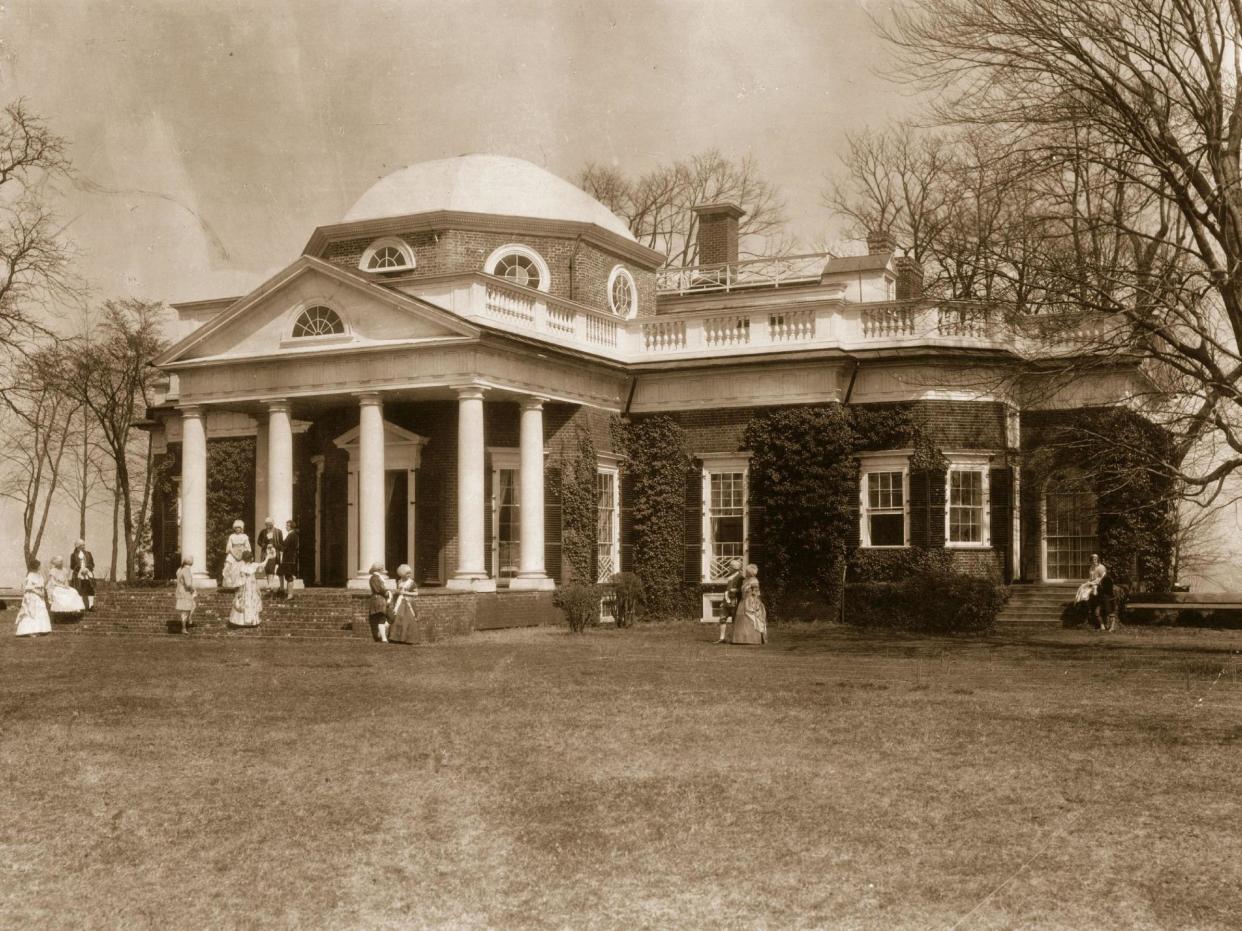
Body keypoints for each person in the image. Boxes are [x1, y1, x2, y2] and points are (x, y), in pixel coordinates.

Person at [14, 558, 51, 637]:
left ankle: (41, 629)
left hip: (40, 596)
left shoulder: (40, 575)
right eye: (39, 565)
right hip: (32, 595)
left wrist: (42, 593)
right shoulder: (30, 575)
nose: (40, 567)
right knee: (32, 612)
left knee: (40, 611)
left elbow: (42, 585)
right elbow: (28, 587)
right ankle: (30, 631)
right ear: (36, 566)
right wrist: (37, 592)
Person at [731, 564, 767, 645]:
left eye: (747, 571)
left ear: (750, 572)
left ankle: (753, 639)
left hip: (751, 601)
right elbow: (743, 590)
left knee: (751, 618)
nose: (745, 572)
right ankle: (740, 639)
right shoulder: (745, 580)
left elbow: (756, 592)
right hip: (743, 601)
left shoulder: (754, 581)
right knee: (741, 619)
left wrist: (755, 602)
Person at [227, 549, 263, 627]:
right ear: (251, 558)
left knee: (247, 602)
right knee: (249, 602)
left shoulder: (243, 567)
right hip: (250, 587)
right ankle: (251, 621)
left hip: (248, 587)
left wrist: (239, 590)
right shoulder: (252, 566)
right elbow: (262, 565)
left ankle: (244, 621)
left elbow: (241, 580)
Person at [387, 564, 421, 644]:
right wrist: (396, 592)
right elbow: (398, 591)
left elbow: (416, 593)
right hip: (399, 602)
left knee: (408, 619)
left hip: (408, 602)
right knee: (398, 619)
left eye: (409, 573)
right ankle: (396, 638)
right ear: (402, 573)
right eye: (407, 573)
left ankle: (409, 639)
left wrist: (405, 592)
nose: (409, 575)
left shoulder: (411, 583)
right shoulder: (399, 581)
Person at [717, 559, 743, 644]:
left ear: (735, 568)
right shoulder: (729, 577)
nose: (729, 568)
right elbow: (727, 590)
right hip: (726, 600)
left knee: (735, 620)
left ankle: (735, 639)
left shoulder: (741, 577)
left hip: (734, 601)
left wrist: (736, 590)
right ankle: (722, 638)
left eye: (730, 567)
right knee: (722, 618)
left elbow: (743, 589)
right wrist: (723, 600)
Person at [256, 517, 284, 592]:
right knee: (268, 568)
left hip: (275, 553)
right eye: (267, 524)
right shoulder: (263, 532)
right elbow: (259, 541)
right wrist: (265, 546)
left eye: (270, 524)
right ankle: (270, 585)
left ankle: (278, 586)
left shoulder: (278, 532)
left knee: (276, 568)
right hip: (266, 553)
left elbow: (281, 543)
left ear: (273, 524)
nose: (268, 526)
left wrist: (275, 546)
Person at [222, 520, 251, 590]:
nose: (238, 529)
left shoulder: (245, 536)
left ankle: (241, 585)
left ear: (242, 528)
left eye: (239, 527)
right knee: (228, 566)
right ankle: (233, 585)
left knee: (242, 567)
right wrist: (234, 554)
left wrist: (242, 554)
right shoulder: (232, 536)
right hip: (233, 553)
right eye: (236, 527)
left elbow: (247, 547)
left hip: (242, 553)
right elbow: (229, 547)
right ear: (234, 528)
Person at [70, 539, 96, 611]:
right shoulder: (73, 555)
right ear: (78, 546)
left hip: (88, 574)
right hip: (78, 574)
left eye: (84, 545)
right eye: (82, 545)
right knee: (79, 590)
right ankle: (81, 606)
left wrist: (87, 569)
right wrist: (80, 570)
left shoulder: (89, 553)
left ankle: (91, 606)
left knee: (90, 589)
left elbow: (92, 564)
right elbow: (72, 566)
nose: (84, 546)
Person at [368, 562, 390, 642]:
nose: (382, 570)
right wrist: (387, 592)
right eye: (381, 568)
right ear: (379, 569)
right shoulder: (375, 578)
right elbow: (378, 589)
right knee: (382, 618)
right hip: (378, 599)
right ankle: (383, 638)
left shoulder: (377, 577)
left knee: (385, 618)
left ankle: (381, 635)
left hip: (380, 599)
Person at [175, 555, 197, 634]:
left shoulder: (180, 569)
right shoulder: (186, 570)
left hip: (180, 592)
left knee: (189, 608)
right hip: (186, 593)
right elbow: (188, 584)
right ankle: (185, 626)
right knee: (188, 609)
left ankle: (187, 623)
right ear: (191, 562)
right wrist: (193, 589)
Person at [279, 519, 300, 600]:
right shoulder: (294, 535)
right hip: (290, 558)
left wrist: (278, 543)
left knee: (288, 576)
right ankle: (287, 592)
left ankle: (290, 594)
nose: (286, 527)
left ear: (291, 526)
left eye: (287, 525)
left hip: (288, 558)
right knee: (284, 574)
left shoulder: (291, 535)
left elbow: (284, 545)